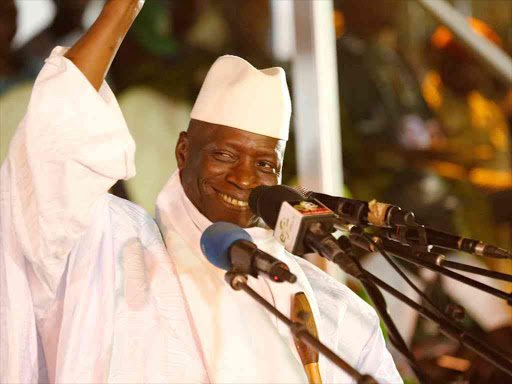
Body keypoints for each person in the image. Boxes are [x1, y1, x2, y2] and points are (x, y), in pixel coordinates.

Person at [0, 1, 402, 383]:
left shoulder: (334, 314)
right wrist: (123, 8)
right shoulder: (113, 247)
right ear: (183, 151)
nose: (243, 179)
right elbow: (56, 144)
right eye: (225, 155)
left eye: (264, 165)